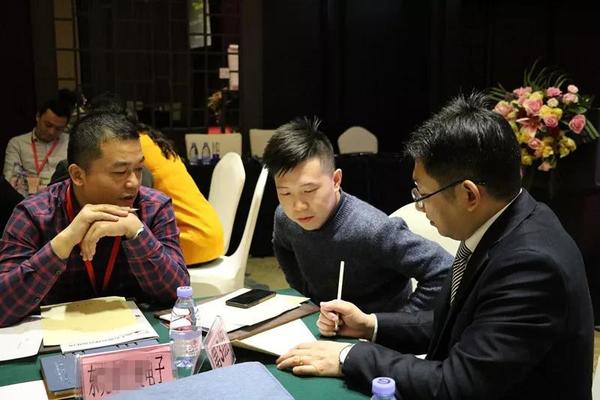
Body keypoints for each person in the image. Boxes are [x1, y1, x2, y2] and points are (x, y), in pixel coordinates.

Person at [275, 93, 594, 399]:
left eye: (423, 194)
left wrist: (349, 356)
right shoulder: (507, 220)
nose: (419, 206)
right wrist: (371, 325)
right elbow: (460, 322)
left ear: (469, 195)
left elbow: (457, 385)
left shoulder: (530, 266)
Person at [0, 112, 189, 327]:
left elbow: (179, 295)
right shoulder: (35, 214)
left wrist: (138, 233)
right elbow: (3, 308)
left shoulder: (153, 207)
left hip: (135, 335)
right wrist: (62, 244)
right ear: (78, 175)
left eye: (138, 169)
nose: (134, 183)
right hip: (58, 337)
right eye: (120, 172)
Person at [262, 117, 452, 314]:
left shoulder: (371, 229)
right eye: (285, 193)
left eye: (309, 190)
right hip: (324, 322)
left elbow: (445, 270)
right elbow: (282, 246)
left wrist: (395, 322)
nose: (298, 206)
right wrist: (306, 296)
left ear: (336, 180)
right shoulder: (285, 218)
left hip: (375, 328)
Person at [84, 92, 225, 264]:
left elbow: (137, 207)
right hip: (210, 237)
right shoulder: (149, 139)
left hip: (188, 241)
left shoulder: (129, 150)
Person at [3, 94, 74, 196]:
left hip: (62, 196)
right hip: (28, 198)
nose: (51, 132)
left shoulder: (71, 141)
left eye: (59, 129)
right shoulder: (17, 143)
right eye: (48, 125)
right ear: (37, 117)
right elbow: (11, 180)